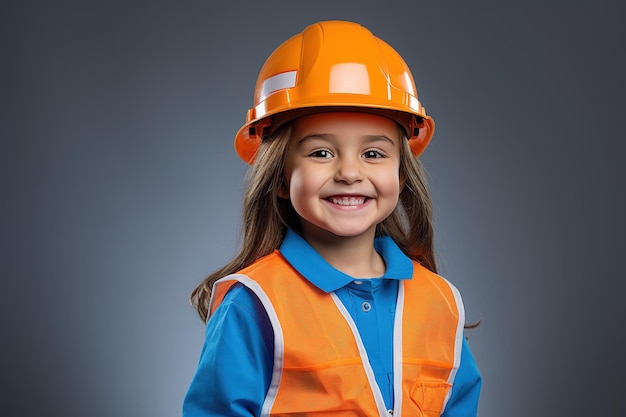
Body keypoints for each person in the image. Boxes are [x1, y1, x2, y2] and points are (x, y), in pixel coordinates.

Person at [183, 20, 482, 416]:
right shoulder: (254, 305)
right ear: (279, 177)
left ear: (401, 175)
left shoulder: (440, 303)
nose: (349, 172)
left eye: (373, 154)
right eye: (321, 153)